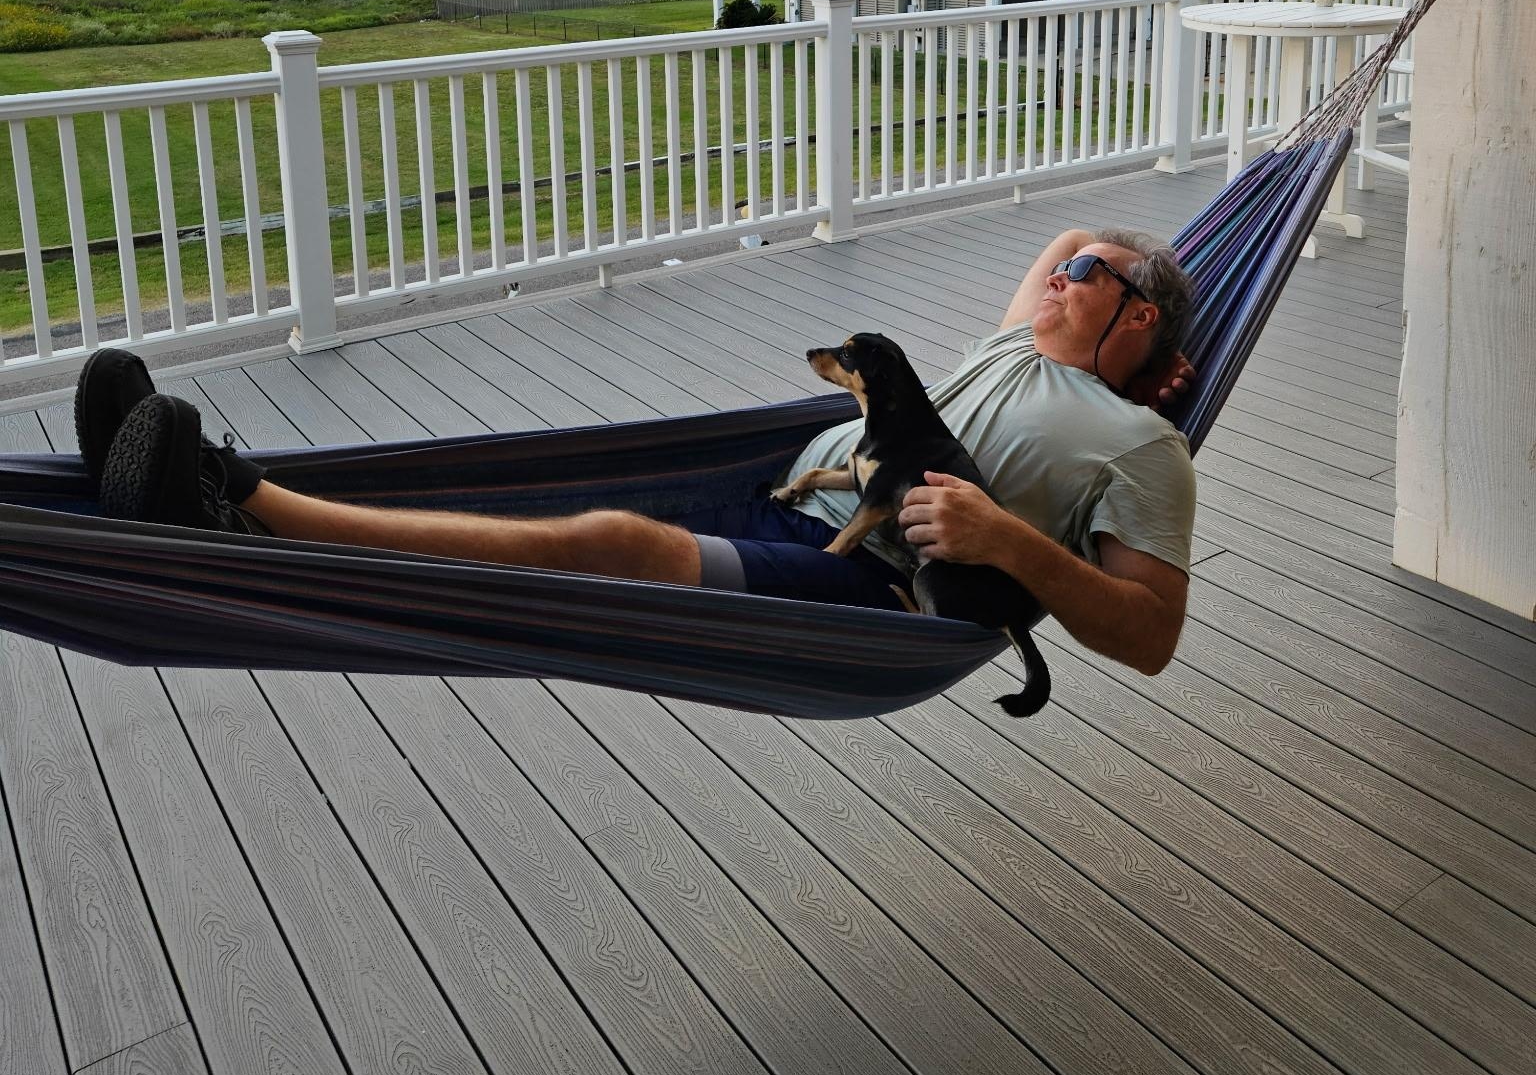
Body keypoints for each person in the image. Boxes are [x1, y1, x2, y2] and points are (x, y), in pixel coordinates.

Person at [75, 225, 1197, 680]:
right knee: (562, 476)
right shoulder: (1019, 335)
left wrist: (1006, 537)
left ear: (1137, 313)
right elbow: (1061, 244)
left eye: (1089, 272)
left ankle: (236, 495)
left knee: (609, 537)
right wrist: (1110, 274)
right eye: (1066, 265)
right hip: (780, 486)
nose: (1059, 271)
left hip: (877, 581)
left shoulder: (1144, 445)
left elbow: (1148, 635)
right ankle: (225, 487)